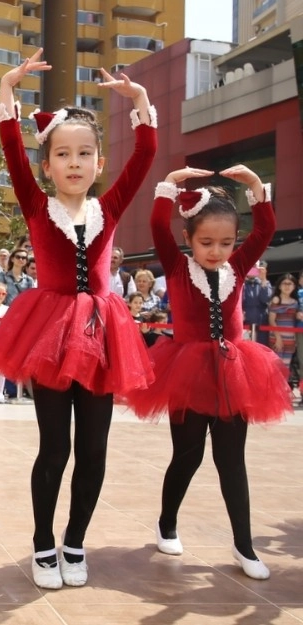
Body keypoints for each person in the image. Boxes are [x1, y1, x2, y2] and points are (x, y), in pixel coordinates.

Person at [0, 50, 157, 590]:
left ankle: (75, 541)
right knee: (54, 447)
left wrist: (142, 100)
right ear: (48, 164)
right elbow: (10, 150)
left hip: (103, 337)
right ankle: (41, 543)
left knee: (94, 448)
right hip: (49, 335)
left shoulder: (111, 206)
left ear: (98, 164)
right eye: (63, 154)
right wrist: (8, 89)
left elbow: (146, 156)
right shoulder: (36, 206)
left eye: (84, 154)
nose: (74, 162)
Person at [125, 166, 290, 580]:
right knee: (188, 455)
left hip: (235, 372)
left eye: (226, 242)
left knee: (232, 460)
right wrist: (169, 183)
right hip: (186, 371)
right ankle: (167, 523)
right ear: (187, 239)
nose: (216, 250)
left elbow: (265, 229)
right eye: (206, 242)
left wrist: (255, 187)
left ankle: (244, 545)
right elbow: (156, 223)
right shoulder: (177, 267)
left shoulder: (239, 265)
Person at [268, 273, 298, 370]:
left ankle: (283, 386)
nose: (287, 286)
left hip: (290, 340)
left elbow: (294, 322)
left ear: (294, 286)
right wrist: (278, 338)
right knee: (276, 367)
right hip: (276, 339)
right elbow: (271, 320)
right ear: (280, 286)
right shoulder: (276, 300)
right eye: (285, 283)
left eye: (290, 284)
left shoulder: (295, 303)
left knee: (286, 367)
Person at [241, 261, 270, 346]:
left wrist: (263, 280)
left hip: (261, 322)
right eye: (250, 266)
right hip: (245, 322)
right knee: (245, 348)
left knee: (261, 348)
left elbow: (265, 299)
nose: (252, 269)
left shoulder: (264, 283)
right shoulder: (241, 283)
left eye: (254, 266)